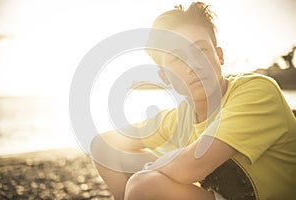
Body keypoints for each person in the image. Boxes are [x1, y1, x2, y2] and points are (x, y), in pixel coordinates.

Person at [90, 2, 296, 200]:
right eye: (177, 58)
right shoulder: (179, 118)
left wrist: (147, 174)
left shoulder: (257, 92)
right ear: (164, 77)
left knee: (142, 185)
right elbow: (103, 144)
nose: (194, 65)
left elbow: (192, 167)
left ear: (219, 55)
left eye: (201, 50)